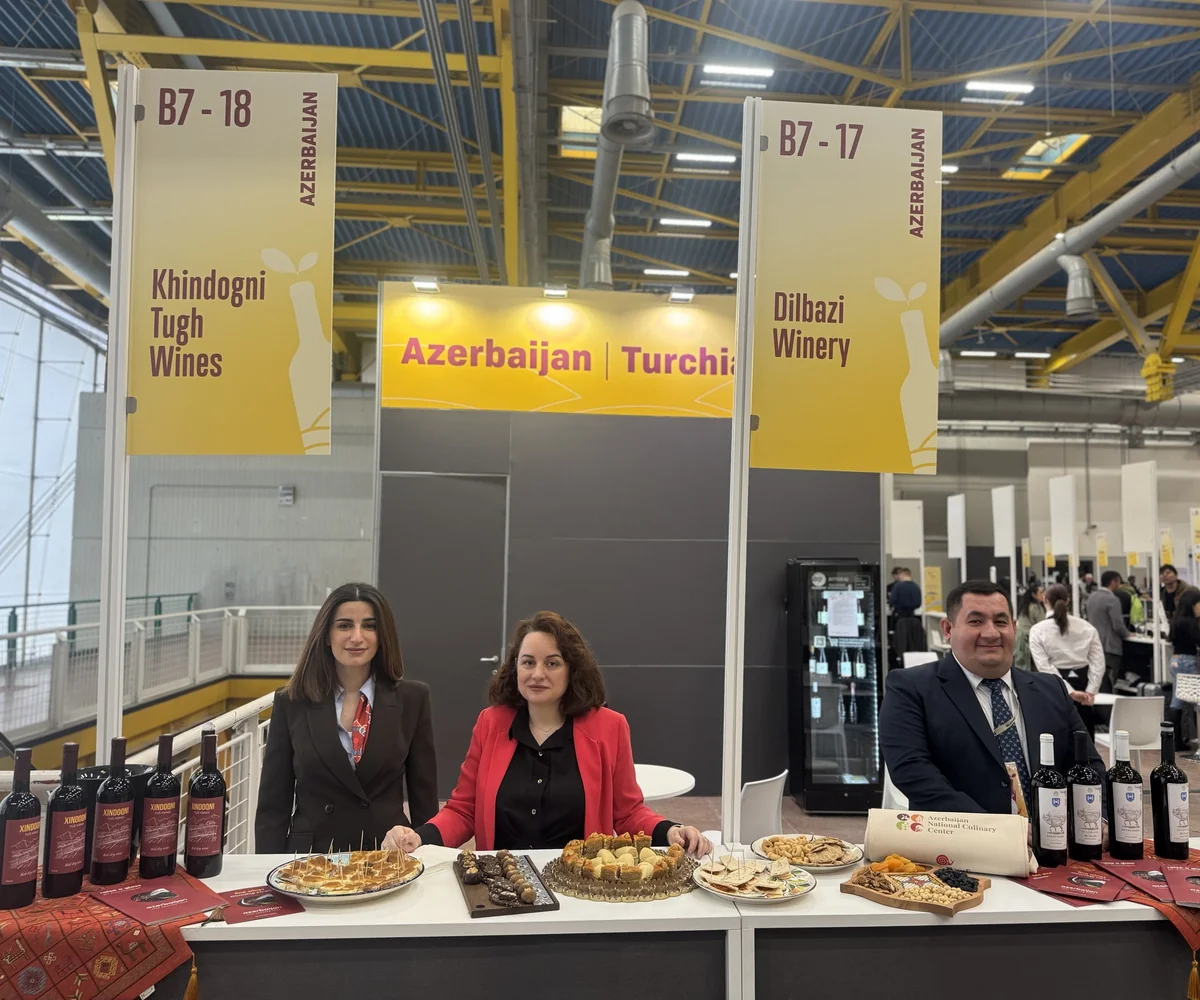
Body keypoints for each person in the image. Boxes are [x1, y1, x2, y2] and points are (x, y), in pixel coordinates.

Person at [382, 611, 712, 856]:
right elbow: (463, 809)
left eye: (552, 663)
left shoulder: (609, 727)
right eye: (528, 662)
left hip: (579, 887)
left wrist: (670, 831)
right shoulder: (491, 723)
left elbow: (627, 813)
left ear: (572, 670)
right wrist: (419, 837)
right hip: (503, 883)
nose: (537, 674)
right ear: (515, 668)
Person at [879, 581, 1103, 814]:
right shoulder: (911, 689)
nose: (991, 633)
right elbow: (912, 773)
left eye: (1001, 622)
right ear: (947, 629)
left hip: (1052, 832)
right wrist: (996, 829)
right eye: (976, 621)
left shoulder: (1051, 689)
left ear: (1014, 628)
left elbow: (1089, 765)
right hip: (963, 835)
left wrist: (1100, 819)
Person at [255, 583, 438, 853]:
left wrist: (429, 859)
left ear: (382, 635)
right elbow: (273, 806)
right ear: (326, 635)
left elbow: (425, 802)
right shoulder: (292, 702)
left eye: (369, 626)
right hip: (311, 860)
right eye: (344, 626)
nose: (357, 637)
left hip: (386, 857)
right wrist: (266, 870)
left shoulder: (413, 699)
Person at [1029, 584, 1105, 737]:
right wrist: (1091, 690)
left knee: (1055, 740)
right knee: (1085, 739)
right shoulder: (1087, 627)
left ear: (1045, 599)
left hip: (1053, 687)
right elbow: (1098, 661)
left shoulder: (1037, 630)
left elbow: (1044, 666)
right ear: (1068, 601)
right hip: (1084, 686)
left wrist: (1070, 692)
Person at [1168, 590, 1200, 751]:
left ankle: (1174, 740)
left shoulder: (1177, 621)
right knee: (1197, 700)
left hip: (1175, 661)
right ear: (1192, 604)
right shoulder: (1190, 623)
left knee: (1177, 700)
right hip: (1188, 661)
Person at [1086, 571, 1130, 688]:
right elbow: (1117, 625)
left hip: (1094, 645)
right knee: (1110, 682)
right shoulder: (1113, 600)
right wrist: (1128, 634)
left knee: (1096, 681)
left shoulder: (1091, 597)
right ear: (1114, 582)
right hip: (1110, 647)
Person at [1013, 581, 1046, 671]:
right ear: (1034, 595)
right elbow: (1042, 627)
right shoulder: (1036, 608)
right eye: (1041, 592)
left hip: (1020, 641)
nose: (1043, 594)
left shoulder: (1025, 607)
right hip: (1030, 641)